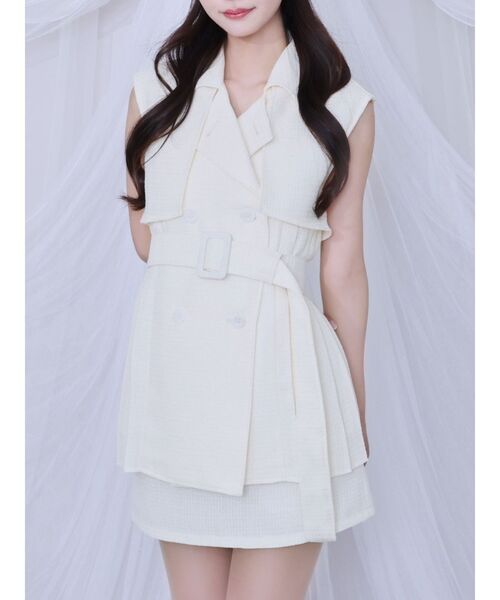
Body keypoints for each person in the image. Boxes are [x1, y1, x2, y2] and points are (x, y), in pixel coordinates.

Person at [117, 1, 376, 598]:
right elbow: (149, 242)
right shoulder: (155, 93)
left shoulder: (341, 106)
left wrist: (354, 407)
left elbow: (343, 270)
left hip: (285, 388)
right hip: (181, 392)